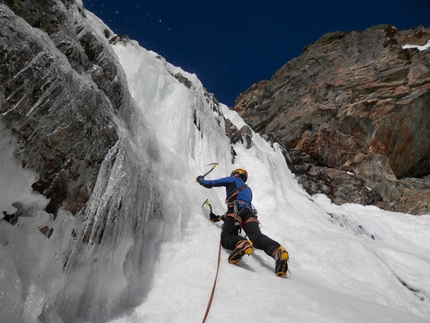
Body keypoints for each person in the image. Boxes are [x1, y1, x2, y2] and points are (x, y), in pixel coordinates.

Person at [196, 168, 289, 278]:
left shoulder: (232, 180)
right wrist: (218, 218)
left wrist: (200, 179)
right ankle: (277, 250)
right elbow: (240, 208)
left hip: (235, 211)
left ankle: (241, 243)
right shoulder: (248, 190)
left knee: (227, 236)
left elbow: (212, 183)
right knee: (257, 238)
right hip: (249, 214)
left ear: (235, 175)